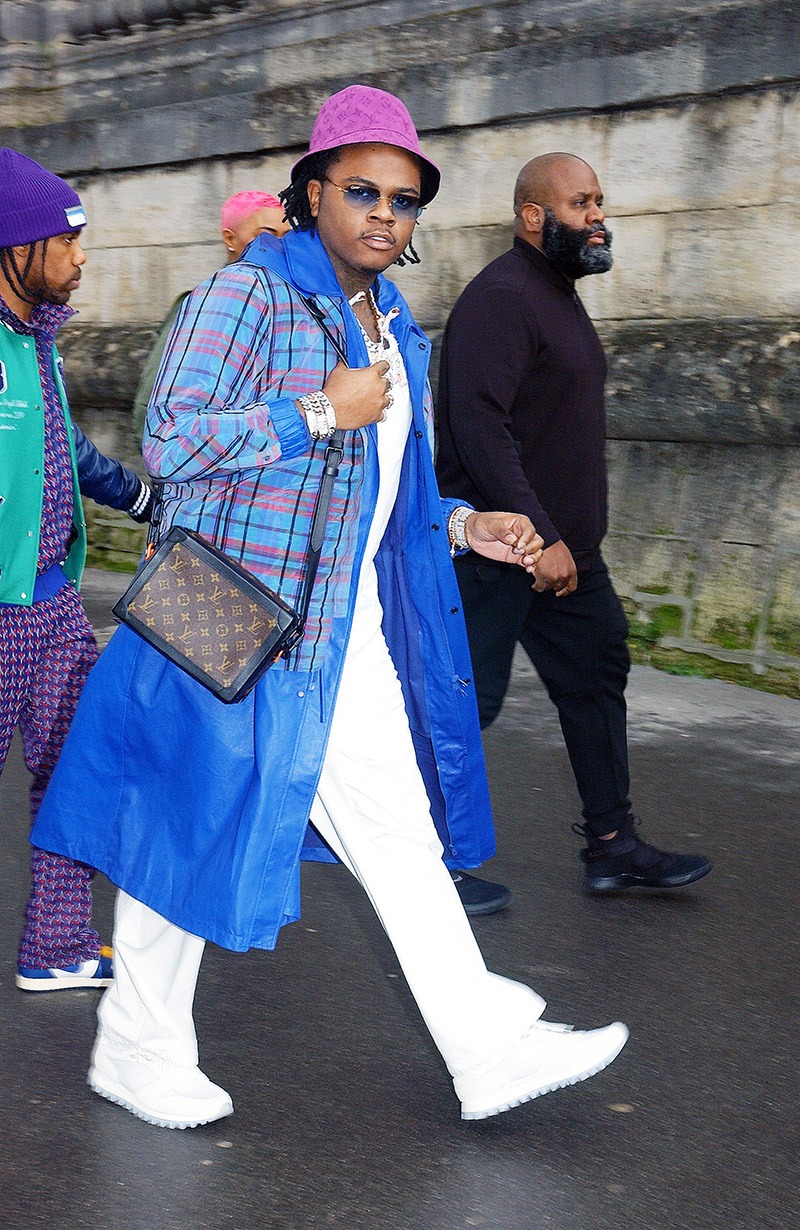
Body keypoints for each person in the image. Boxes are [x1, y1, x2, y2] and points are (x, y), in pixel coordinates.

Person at [31, 89, 628, 1130]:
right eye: (361, 191)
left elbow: (376, 484)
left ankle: (476, 1041)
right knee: (191, 819)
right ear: (312, 194)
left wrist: (459, 524)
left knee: (384, 826)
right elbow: (171, 445)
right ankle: (140, 1044)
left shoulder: (392, 323)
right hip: (227, 612)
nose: (383, 215)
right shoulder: (248, 297)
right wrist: (315, 409)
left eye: (402, 202)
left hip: (329, 628)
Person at [436, 152, 712, 894]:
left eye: (599, 202)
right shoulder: (502, 298)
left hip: (567, 556)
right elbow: (478, 426)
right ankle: (423, 865)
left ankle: (614, 845)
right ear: (534, 216)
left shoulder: (554, 292)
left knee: (595, 677)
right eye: (581, 203)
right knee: (462, 703)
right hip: (498, 549)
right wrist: (540, 533)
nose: (598, 216)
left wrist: (568, 542)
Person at [0, 148, 154, 990]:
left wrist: (143, 501)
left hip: (55, 603)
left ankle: (57, 946)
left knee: (77, 770)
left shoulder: (41, 341)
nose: (81, 256)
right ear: (17, 250)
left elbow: (67, 454)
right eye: (68, 242)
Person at [131, 191, 291, 440]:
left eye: (287, 237)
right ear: (230, 238)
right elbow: (151, 405)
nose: (279, 247)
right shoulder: (203, 304)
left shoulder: (289, 303)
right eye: (268, 234)